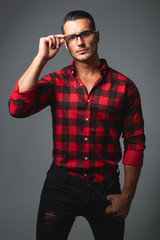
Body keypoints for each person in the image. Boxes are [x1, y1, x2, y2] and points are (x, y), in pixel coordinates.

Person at [8, 10, 146, 240]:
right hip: (60, 186)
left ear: (97, 36)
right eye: (71, 37)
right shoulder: (55, 82)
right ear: (65, 44)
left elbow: (135, 144)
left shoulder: (125, 87)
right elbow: (17, 108)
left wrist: (127, 196)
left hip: (106, 188)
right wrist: (41, 58)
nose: (79, 42)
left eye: (85, 34)